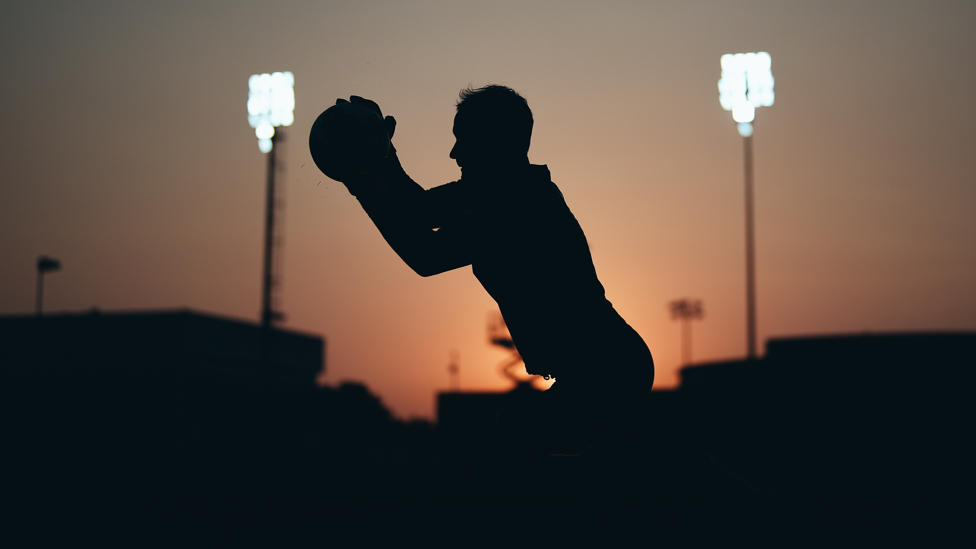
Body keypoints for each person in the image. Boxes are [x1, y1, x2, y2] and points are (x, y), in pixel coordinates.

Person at [331, 85, 653, 452]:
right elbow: (418, 209)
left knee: (518, 436)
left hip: (608, 369)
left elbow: (425, 254)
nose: (453, 153)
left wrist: (363, 185)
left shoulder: (516, 203)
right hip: (609, 364)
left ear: (493, 143)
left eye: (462, 139)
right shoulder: (502, 186)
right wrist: (383, 155)